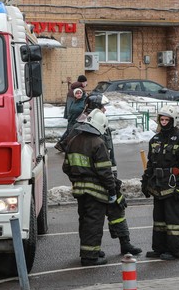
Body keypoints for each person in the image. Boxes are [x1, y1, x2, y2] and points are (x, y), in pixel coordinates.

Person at [59, 93, 142, 256]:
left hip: (108, 176)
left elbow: (109, 154)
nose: (105, 110)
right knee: (90, 219)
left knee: (117, 208)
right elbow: (69, 150)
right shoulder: (80, 127)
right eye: (102, 107)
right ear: (94, 108)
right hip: (96, 179)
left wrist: (112, 178)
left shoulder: (100, 122)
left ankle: (125, 243)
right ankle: (90, 250)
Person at [62, 109, 117, 266]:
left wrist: (76, 179)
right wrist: (112, 189)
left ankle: (89, 250)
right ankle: (90, 257)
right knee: (94, 223)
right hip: (96, 193)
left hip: (80, 191)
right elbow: (105, 171)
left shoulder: (73, 140)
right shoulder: (98, 143)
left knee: (85, 221)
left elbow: (66, 167)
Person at [141, 105, 179, 261]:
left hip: (173, 187)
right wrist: (145, 181)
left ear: (173, 120)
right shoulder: (155, 139)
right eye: (162, 119)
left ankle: (175, 251)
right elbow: (151, 164)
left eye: (167, 120)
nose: (164, 122)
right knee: (159, 221)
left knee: (174, 221)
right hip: (158, 187)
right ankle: (159, 249)